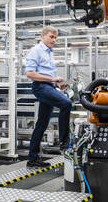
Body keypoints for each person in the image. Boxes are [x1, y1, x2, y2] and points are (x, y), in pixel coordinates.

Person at [25, 26, 71, 167]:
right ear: (43, 36)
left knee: (42, 124)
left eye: (55, 37)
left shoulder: (49, 52)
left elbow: (48, 75)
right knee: (66, 103)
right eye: (51, 37)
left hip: (49, 87)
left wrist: (57, 85)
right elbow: (30, 74)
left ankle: (32, 159)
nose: (54, 40)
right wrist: (52, 80)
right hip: (40, 87)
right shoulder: (36, 51)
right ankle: (64, 141)